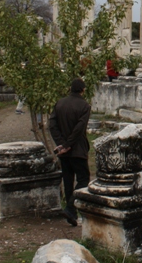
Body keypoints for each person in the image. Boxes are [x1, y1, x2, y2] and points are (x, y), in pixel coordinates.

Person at [49, 77, 91, 227]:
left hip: (64, 152)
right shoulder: (84, 105)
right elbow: (79, 129)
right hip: (77, 149)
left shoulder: (60, 103)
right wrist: (68, 144)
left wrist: (61, 143)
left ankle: (70, 213)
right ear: (82, 90)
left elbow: (52, 124)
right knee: (83, 179)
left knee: (68, 180)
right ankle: (70, 207)